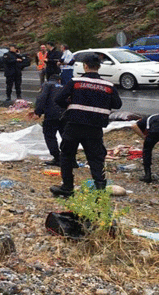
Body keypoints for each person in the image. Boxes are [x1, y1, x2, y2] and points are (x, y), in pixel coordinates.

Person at [50, 53, 122, 197]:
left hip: (74, 124)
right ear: (99, 67)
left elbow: (58, 99)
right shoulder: (108, 86)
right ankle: (100, 189)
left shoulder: (75, 82)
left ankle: (67, 187)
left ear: (85, 66)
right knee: (96, 158)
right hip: (94, 128)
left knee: (67, 155)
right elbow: (117, 104)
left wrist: (70, 104)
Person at [33, 74, 65, 166]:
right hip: (64, 115)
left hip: (51, 115)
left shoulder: (47, 85)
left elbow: (41, 98)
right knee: (65, 136)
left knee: (49, 135)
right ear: (59, 80)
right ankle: (69, 158)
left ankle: (57, 157)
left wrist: (38, 112)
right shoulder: (64, 86)